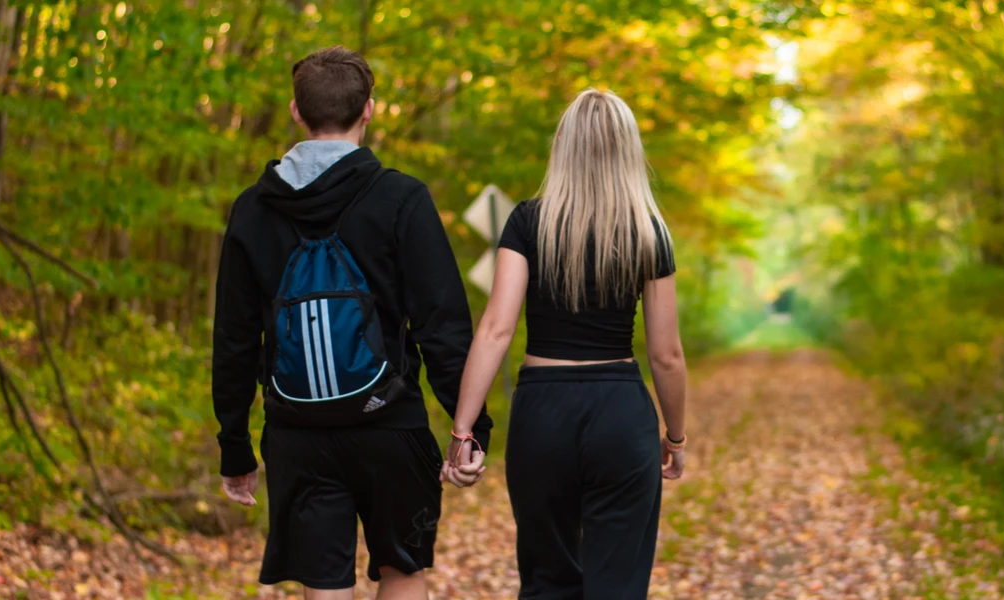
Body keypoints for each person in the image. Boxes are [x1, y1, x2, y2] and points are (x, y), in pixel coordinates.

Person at [211, 45, 493, 599]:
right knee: (403, 569)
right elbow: (442, 328)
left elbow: (235, 339)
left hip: (297, 433)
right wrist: (469, 428)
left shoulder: (252, 209)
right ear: (369, 110)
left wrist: (234, 445)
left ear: (296, 111)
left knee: (324, 581)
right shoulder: (402, 199)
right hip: (391, 425)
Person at [441, 89, 689, 599]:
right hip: (621, 413)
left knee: (547, 580)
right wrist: (676, 437)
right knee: (616, 586)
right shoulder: (648, 230)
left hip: (543, 412)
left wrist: (463, 429)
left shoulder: (529, 222)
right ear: (628, 149)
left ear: (562, 145)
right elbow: (666, 354)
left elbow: (496, 329)